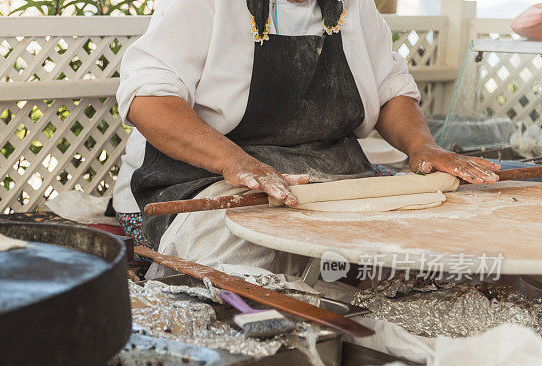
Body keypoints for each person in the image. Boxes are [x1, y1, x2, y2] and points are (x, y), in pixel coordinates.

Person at [111, 0, 500, 278]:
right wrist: (237, 163)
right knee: (245, 258)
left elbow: (388, 89)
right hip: (202, 178)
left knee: (405, 255)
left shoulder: (353, 5)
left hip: (329, 177)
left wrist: (423, 147)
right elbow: (150, 99)